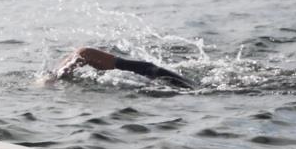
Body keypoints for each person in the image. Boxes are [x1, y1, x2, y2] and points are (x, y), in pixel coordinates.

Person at [55, 47, 194, 89]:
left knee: (85, 53)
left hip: (152, 73)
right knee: (84, 53)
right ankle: (53, 76)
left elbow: (85, 54)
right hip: (152, 72)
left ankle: (53, 77)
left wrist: (55, 77)